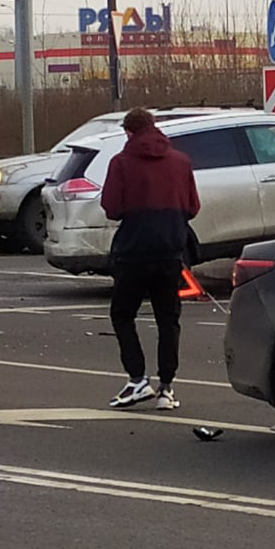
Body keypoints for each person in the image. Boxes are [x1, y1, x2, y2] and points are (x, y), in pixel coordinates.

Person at [100, 107, 200, 410]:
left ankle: (137, 379)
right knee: (168, 319)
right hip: (170, 250)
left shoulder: (121, 163)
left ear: (128, 132)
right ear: (153, 127)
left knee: (123, 314)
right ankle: (166, 387)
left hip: (133, 251)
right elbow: (193, 207)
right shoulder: (181, 162)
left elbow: (112, 207)